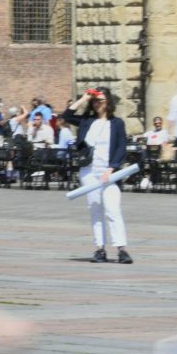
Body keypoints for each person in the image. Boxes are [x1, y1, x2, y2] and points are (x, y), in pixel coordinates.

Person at [63, 88, 132, 265]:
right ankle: (100, 248)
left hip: (108, 172)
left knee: (113, 208)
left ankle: (121, 248)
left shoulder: (116, 123)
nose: (97, 104)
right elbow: (67, 115)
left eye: (100, 100)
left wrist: (112, 168)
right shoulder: (87, 121)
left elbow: (121, 147)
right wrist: (84, 98)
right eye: (94, 101)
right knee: (95, 209)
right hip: (89, 171)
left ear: (108, 102)